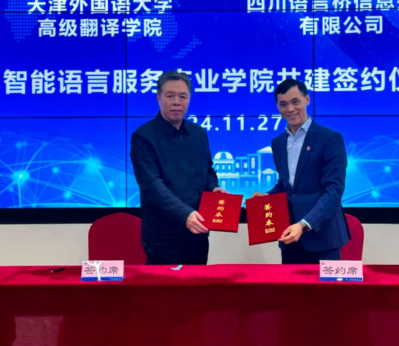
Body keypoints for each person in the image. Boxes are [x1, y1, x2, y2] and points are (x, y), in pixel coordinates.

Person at [130, 71, 226, 265]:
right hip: (162, 236)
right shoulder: (143, 136)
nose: (176, 102)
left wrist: (213, 188)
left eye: (183, 96)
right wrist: (185, 214)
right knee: (163, 285)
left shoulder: (198, 134)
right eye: (170, 96)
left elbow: (208, 171)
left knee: (198, 284)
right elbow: (152, 185)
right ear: (159, 97)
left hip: (197, 231)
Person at [250, 78, 350, 263]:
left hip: (323, 238)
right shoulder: (277, 143)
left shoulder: (330, 139)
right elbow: (286, 185)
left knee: (325, 285)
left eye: (295, 101)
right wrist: (268, 196)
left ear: (307, 100)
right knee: (289, 283)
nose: (290, 109)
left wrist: (304, 224)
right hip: (289, 235)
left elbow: (334, 190)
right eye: (283, 104)